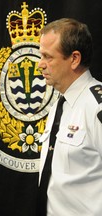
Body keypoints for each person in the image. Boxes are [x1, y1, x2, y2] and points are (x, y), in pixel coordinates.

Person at [37, 18, 102, 215]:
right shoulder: (60, 104)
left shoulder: (96, 106)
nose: (40, 65)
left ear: (74, 59)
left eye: (48, 57)